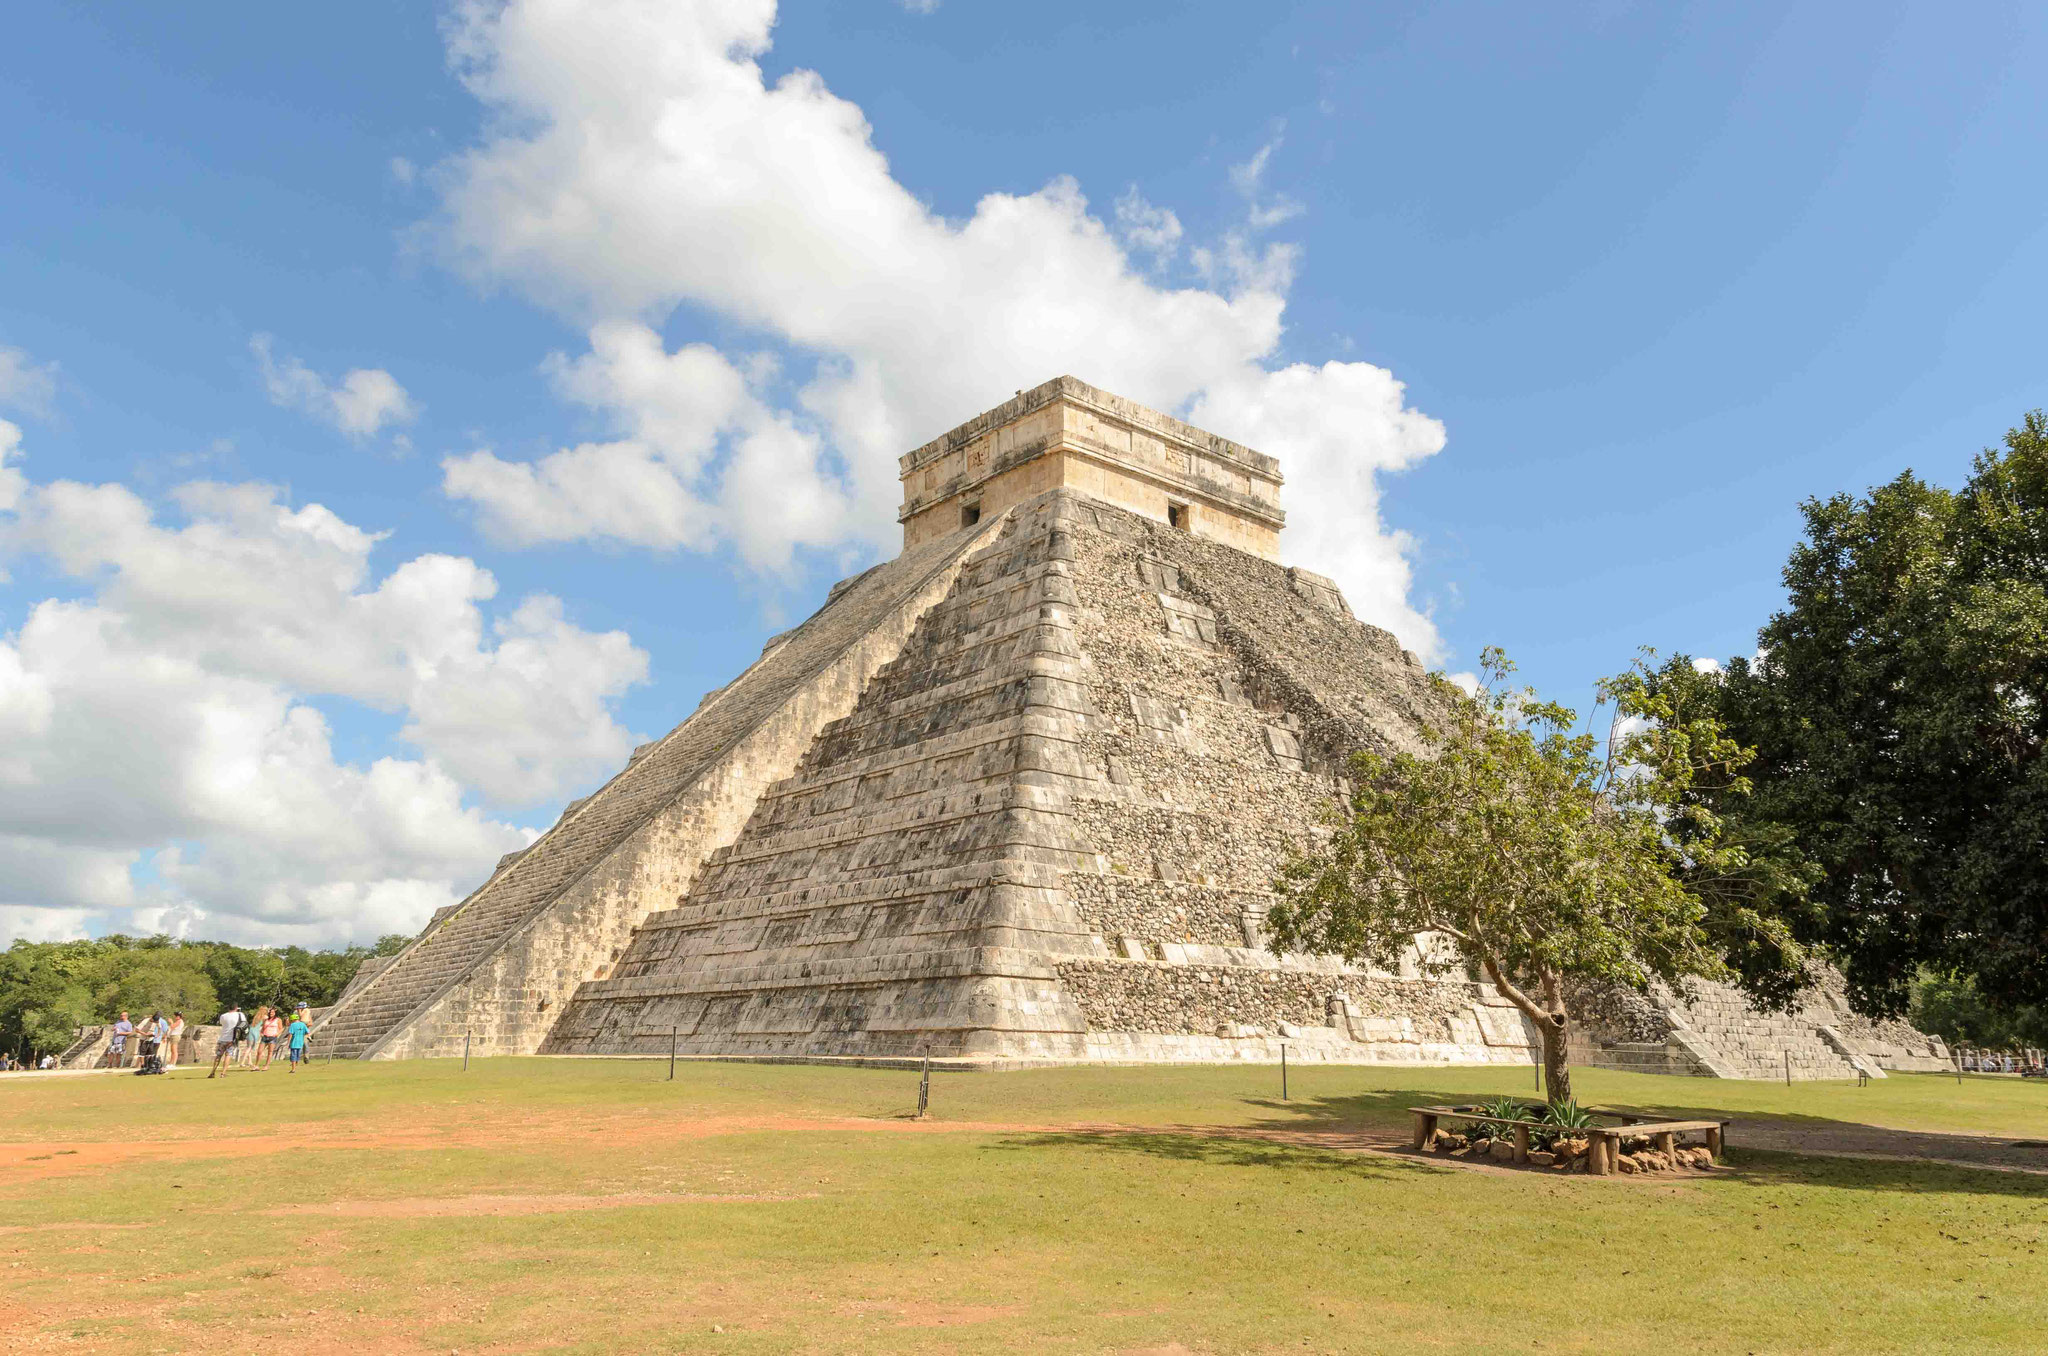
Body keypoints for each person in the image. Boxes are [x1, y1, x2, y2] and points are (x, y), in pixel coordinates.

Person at [209, 1003, 244, 1078]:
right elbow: (243, 1024)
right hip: (232, 1039)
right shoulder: (239, 1015)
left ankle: (213, 1072)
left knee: (218, 1055)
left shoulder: (223, 1016)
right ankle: (223, 1073)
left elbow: (222, 1023)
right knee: (228, 1055)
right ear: (236, 1008)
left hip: (222, 1038)